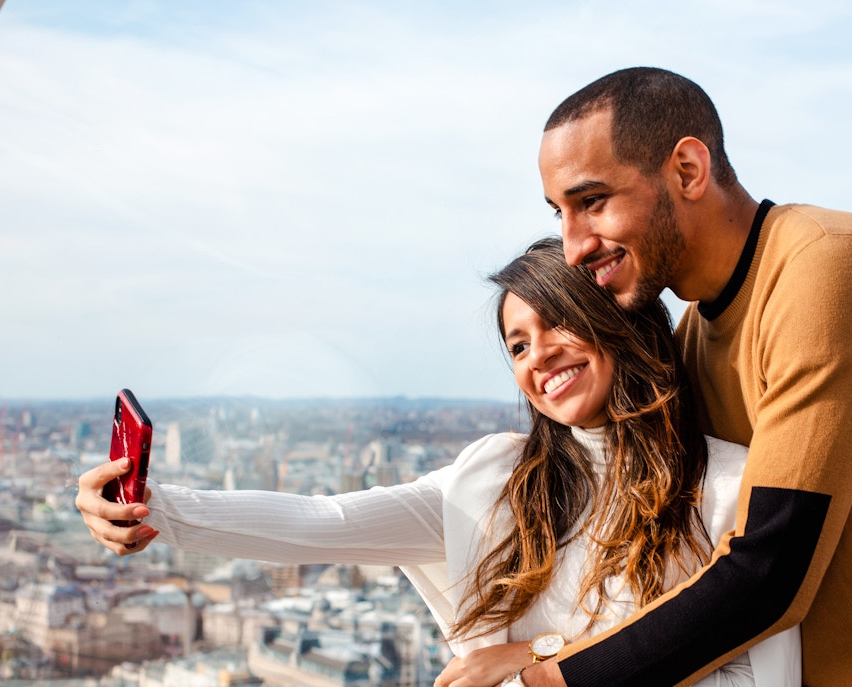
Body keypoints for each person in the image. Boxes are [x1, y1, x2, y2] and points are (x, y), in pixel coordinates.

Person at [75, 238, 801, 687]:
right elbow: (323, 523)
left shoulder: (733, 487)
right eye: (517, 343)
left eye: (559, 321)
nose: (538, 353)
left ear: (618, 323)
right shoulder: (492, 483)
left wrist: (531, 659)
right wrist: (155, 509)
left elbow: (752, 674)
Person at [514, 67, 852, 687]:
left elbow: (768, 574)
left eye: (592, 202)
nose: (571, 246)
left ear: (688, 170)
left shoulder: (832, 271)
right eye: (559, 213)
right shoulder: (697, 334)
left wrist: (549, 679)